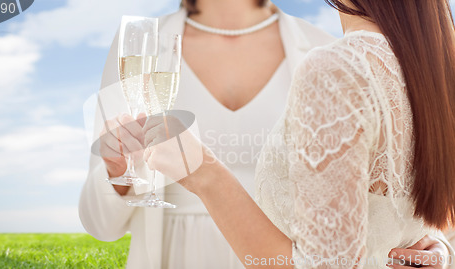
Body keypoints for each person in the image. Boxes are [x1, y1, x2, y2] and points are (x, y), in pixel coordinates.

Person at [79, 0, 454, 268]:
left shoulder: (325, 46)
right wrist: (117, 174)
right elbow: (99, 224)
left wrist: (430, 241)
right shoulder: (139, 43)